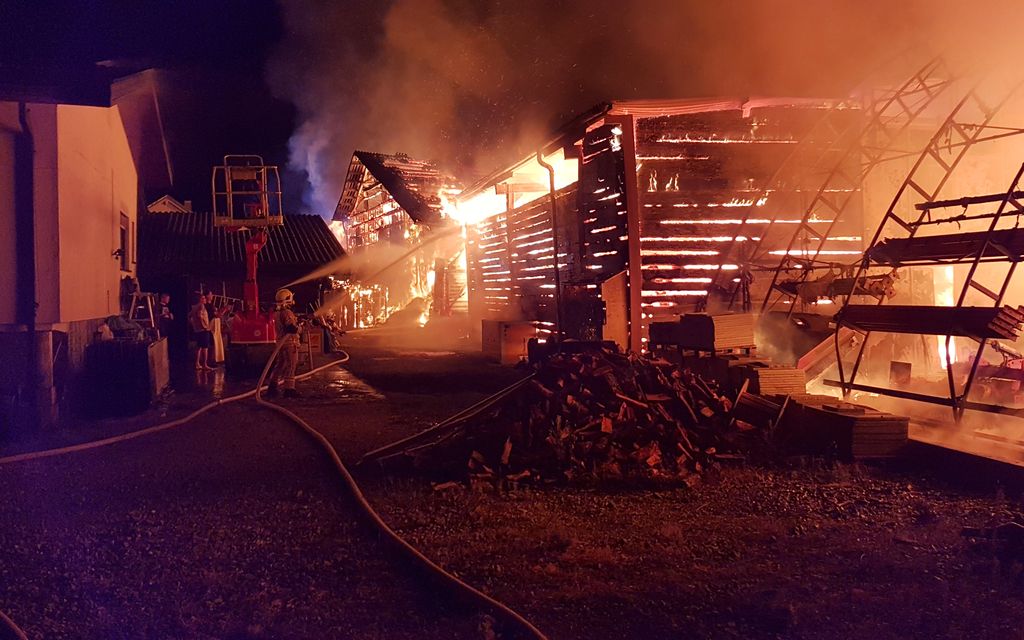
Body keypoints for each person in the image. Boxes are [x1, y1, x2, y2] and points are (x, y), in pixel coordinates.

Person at [267, 288, 301, 398]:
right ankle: (289, 389)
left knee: (280, 365)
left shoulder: (277, 313)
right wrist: (299, 327)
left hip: (281, 343)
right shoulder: (287, 312)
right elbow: (291, 328)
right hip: (290, 343)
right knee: (291, 365)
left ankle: (272, 386)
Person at [189, 293, 215, 371]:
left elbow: (189, 316)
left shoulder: (193, 307)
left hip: (197, 330)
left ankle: (197, 363)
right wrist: (204, 325)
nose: (205, 299)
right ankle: (205, 364)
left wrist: (194, 325)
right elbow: (199, 315)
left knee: (199, 347)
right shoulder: (201, 306)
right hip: (203, 330)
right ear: (200, 299)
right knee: (205, 348)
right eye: (203, 298)